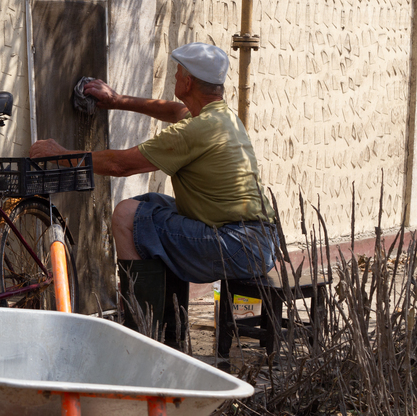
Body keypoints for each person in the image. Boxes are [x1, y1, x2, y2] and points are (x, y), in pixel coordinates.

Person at [30, 42, 278, 344]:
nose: (174, 78)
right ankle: (169, 333)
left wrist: (61, 155)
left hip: (237, 246)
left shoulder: (194, 132)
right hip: (259, 241)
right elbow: (174, 110)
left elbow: (121, 165)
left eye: (176, 74)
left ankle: (144, 337)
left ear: (187, 82)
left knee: (127, 215)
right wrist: (118, 101)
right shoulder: (219, 117)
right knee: (148, 204)